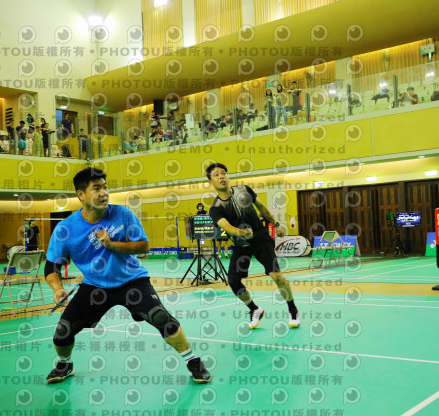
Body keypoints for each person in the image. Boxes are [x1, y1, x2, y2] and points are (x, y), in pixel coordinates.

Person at [44, 168, 211, 384]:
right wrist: (57, 289)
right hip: (95, 286)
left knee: (160, 317)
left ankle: (193, 361)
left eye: (105, 187)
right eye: (97, 188)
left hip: (132, 280)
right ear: (81, 195)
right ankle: (64, 364)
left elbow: (144, 246)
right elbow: (51, 266)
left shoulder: (122, 214)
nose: (104, 193)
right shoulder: (65, 229)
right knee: (62, 331)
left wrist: (111, 244)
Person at [206, 162, 300, 329]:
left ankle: (293, 309)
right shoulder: (215, 209)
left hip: (261, 238)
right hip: (241, 244)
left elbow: (262, 208)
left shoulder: (244, 190)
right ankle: (254, 309)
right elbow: (227, 227)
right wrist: (242, 233)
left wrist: (275, 225)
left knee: (276, 276)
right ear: (210, 182)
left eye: (223, 173)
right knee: (233, 281)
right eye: (216, 175)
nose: (221, 177)